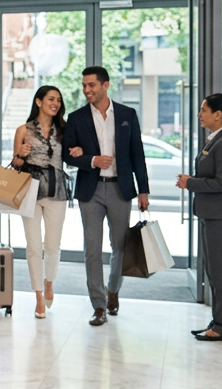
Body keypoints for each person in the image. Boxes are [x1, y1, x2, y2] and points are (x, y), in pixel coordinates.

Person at [63, 66, 150, 327]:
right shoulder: (76, 118)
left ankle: (113, 291)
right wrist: (91, 160)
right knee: (91, 249)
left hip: (120, 188)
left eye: (91, 85)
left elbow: (137, 154)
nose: (87, 90)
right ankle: (98, 305)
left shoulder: (126, 115)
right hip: (90, 190)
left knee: (120, 246)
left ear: (105, 85)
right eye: (84, 85)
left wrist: (143, 189)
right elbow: (67, 154)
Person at [178, 94, 222, 342]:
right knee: (214, 271)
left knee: (220, 273)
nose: (200, 114)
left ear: (218, 114)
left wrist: (190, 183)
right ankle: (218, 320)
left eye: (204, 110)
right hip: (212, 215)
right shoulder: (215, 140)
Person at [10, 85, 71, 319]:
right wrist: (21, 154)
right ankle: (38, 296)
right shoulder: (23, 129)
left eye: (58, 99)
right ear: (38, 102)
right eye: (50, 99)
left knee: (52, 244)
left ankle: (49, 282)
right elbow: (15, 164)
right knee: (34, 246)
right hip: (30, 190)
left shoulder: (64, 130)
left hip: (57, 190)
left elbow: (70, 155)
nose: (55, 103)